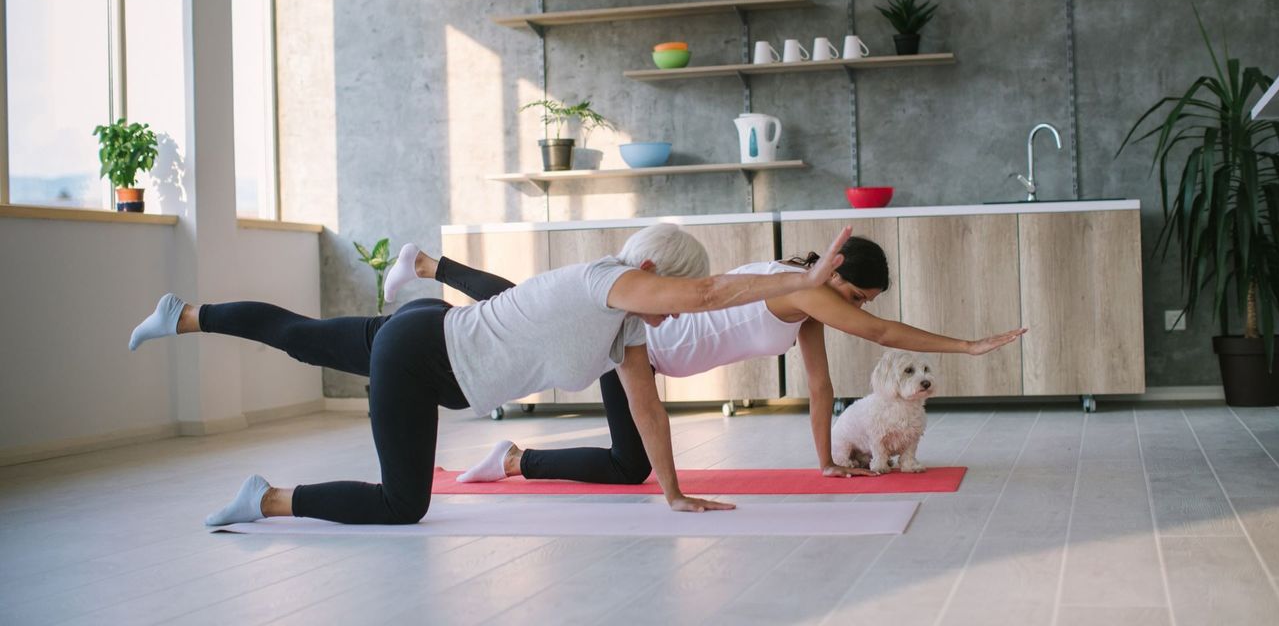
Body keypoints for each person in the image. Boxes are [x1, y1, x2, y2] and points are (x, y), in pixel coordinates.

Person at [128, 223, 853, 525]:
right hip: (425, 360)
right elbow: (705, 295)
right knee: (401, 502)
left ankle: (187, 314)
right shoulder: (611, 282)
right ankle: (267, 500)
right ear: (652, 273)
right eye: (671, 300)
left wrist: (673, 493)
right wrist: (802, 281)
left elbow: (649, 414)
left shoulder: (628, 332)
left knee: (302, 338)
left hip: (430, 332)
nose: (675, 318)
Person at [384, 235, 1024, 485]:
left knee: (519, 304)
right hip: (639, 347)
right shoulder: (800, 287)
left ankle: (429, 268)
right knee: (627, 462)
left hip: (650, 348)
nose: (856, 310)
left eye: (861, 300)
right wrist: (967, 346)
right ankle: (517, 461)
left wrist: (825, 460)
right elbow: (882, 334)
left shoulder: (804, 300)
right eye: (855, 295)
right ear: (835, 279)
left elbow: (821, 386)